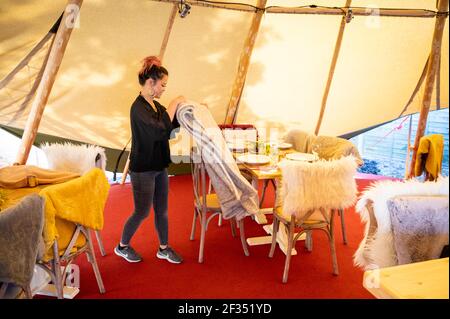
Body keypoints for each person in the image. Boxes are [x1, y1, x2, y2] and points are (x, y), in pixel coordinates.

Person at [114, 56, 186, 264]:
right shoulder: (137, 109)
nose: (164, 89)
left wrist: (189, 112)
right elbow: (159, 130)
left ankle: (164, 248)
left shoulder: (155, 106)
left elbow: (170, 127)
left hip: (160, 166)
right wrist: (174, 103)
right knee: (142, 211)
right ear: (150, 83)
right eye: (163, 85)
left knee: (162, 210)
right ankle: (122, 246)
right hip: (143, 169)